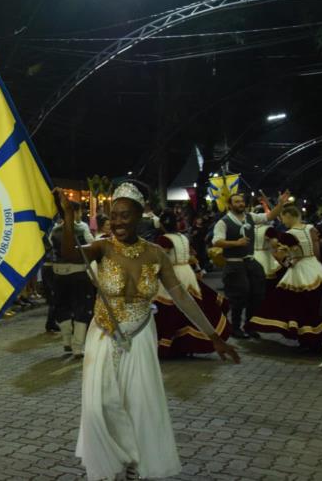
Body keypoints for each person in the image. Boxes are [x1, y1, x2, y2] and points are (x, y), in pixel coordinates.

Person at [55, 183, 239, 481]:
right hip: (103, 334)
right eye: (113, 215)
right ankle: (116, 456)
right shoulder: (102, 247)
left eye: (125, 215)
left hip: (140, 335)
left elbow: (182, 298)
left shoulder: (155, 254)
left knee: (138, 403)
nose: (117, 222)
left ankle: (135, 465)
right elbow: (69, 254)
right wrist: (66, 217)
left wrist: (214, 336)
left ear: (140, 215)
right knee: (99, 404)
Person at [246, 205, 322, 353]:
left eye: (283, 218)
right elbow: (317, 250)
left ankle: (309, 342)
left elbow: (279, 255)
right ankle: (315, 340)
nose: (283, 221)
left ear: (288, 216)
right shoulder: (311, 228)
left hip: (299, 272)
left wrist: (289, 263)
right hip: (315, 269)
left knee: (298, 306)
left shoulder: (288, 234)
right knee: (314, 305)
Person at [153, 210, 231, 358]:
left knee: (169, 311)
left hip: (174, 274)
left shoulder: (164, 239)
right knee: (188, 309)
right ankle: (185, 345)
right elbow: (192, 255)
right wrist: (197, 269)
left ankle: (170, 346)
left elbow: (161, 259)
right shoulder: (183, 237)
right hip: (187, 273)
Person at [212, 191, 290, 338]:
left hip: (251, 261)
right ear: (230, 205)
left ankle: (249, 326)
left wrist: (280, 204)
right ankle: (235, 327)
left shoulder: (250, 217)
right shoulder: (223, 222)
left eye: (241, 201)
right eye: (236, 202)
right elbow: (216, 241)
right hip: (234, 264)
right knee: (240, 295)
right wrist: (236, 243)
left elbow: (269, 216)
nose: (240, 204)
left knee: (257, 294)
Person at [50, 202, 95, 356]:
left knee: (62, 306)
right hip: (78, 273)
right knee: (82, 308)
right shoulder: (82, 229)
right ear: (74, 212)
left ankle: (66, 341)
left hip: (58, 274)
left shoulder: (54, 231)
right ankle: (78, 347)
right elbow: (92, 246)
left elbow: (51, 246)